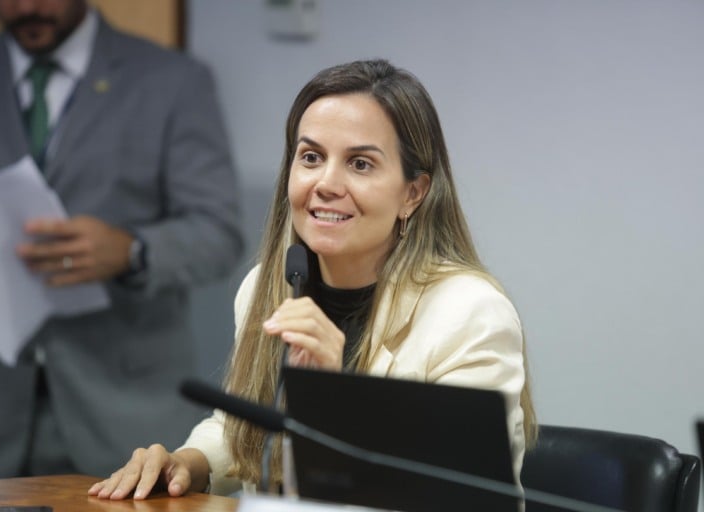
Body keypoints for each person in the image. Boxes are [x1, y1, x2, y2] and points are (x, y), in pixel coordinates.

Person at [89, 58, 536, 500]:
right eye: (311, 157)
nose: (326, 183)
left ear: (412, 193)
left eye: (360, 164)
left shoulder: (469, 314)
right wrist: (189, 463)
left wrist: (333, 401)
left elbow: (455, 497)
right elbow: (243, 425)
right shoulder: (267, 286)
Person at [0, 0, 243, 478]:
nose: (27, 7)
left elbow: (219, 232)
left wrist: (133, 251)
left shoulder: (173, 82)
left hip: (126, 416)